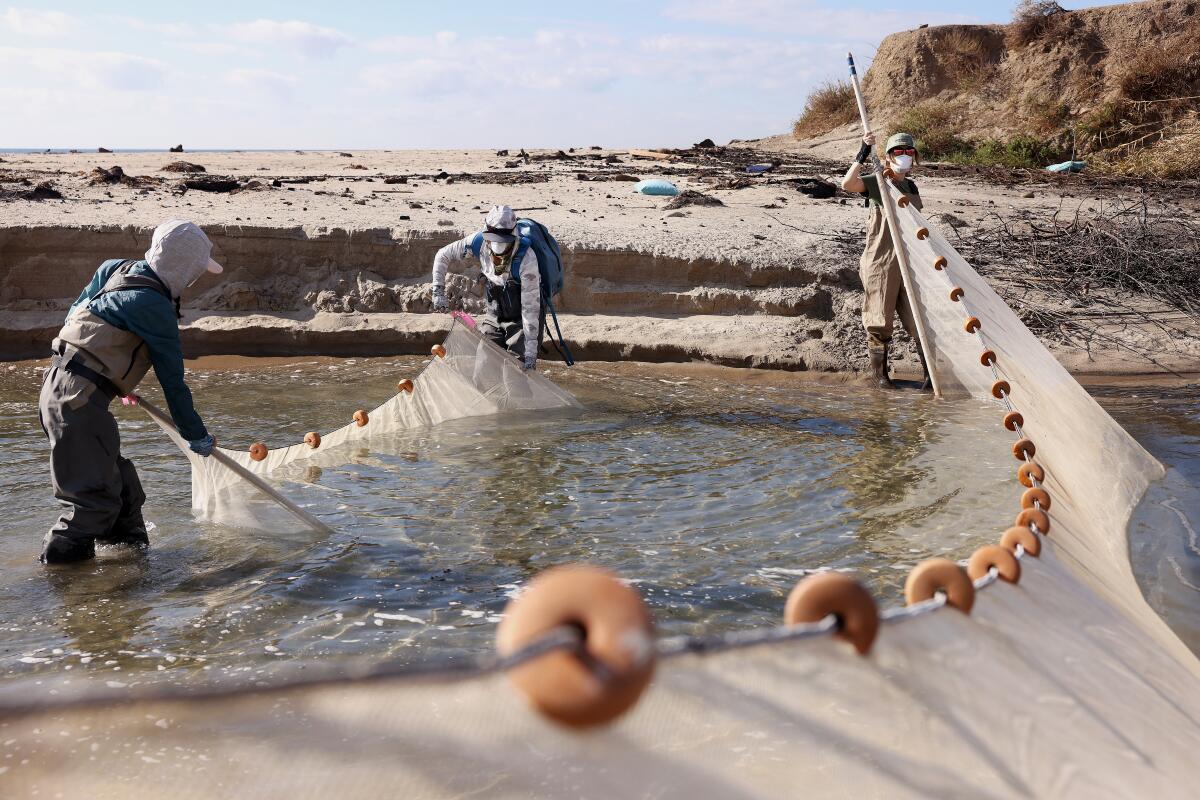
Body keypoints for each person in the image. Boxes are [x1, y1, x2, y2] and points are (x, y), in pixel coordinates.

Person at [38, 220, 222, 564]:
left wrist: (109, 376)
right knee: (93, 503)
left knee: (122, 491)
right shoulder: (154, 308)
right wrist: (196, 436)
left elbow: (77, 317)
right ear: (184, 268)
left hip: (62, 384)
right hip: (78, 400)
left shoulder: (114, 268)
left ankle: (128, 572)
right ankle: (59, 582)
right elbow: (173, 383)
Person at [841, 131, 928, 390]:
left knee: (919, 321)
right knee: (879, 320)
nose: (904, 156)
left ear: (915, 157)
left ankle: (929, 377)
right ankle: (880, 378)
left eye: (908, 152)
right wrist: (863, 153)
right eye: (898, 152)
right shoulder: (879, 182)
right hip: (881, 259)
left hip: (909, 262)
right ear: (888, 157)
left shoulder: (910, 187)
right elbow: (848, 184)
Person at [430, 205, 542, 370]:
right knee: (483, 371)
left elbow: (530, 311)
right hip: (494, 316)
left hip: (521, 321)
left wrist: (531, 354)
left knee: (516, 376)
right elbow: (443, 255)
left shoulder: (527, 259)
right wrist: (438, 291)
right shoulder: (477, 243)